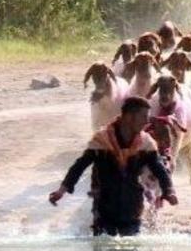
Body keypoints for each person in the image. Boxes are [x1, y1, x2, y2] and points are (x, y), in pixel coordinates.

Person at [49, 96, 178, 236]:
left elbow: (159, 169)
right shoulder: (101, 141)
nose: (147, 122)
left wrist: (169, 191)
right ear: (129, 117)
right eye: (143, 117)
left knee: (132, 250)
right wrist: (61, 191)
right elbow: (79, 166)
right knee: (102, 248)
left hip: (132, 208)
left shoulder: (146, 143)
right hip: (104, 208)